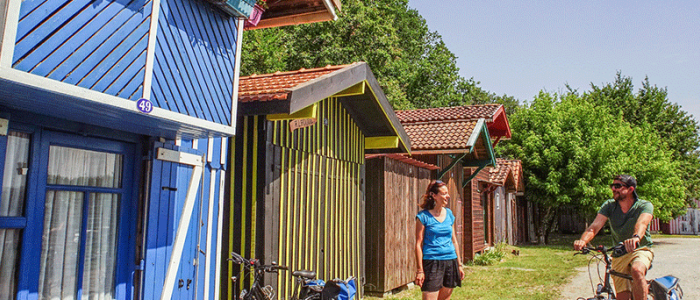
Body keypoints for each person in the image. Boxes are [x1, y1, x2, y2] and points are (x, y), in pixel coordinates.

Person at [573, 175, 654, 300]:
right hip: (619, 254)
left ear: (631, 189)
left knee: (637, 270)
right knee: (622, 297)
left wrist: (636, 237)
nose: (613, 189)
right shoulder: (609, 206)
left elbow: (642, 223)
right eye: (612, 186)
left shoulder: (644, 205)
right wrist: (583, 241)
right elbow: (594, 227)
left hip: (640, 249)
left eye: (618, 186)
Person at [414, 180, 465, 300]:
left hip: (450, 261)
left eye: (447, 193)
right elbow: (418, 244)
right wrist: (420, 270)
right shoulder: (423, 217)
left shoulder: (449, 214)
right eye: (444, 193)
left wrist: (459, 264)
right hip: (432, 262)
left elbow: (454, 241)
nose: (448, 196)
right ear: (434, 195)